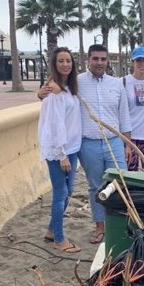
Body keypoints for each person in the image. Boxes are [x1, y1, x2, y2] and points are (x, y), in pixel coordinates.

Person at [38, 44, 132, 244]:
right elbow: (52, 93)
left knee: (120, 185)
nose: (99, 62)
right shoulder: (76, 82)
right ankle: (99, 228)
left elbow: (124, 115)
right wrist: (40, 93)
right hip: (87, 145)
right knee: (96, 187)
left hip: (114, 141)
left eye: (103, 59)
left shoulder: (116, 84)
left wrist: (128, 144)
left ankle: (120, 226)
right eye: (95, 58)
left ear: (107, 61)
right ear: (88, 60)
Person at [38, 48, 82, 253]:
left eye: (68, 61)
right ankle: (59, 239)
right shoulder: (54, 91)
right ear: (55, 64)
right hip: (59, 151)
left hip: (72, 148)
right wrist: (61, 154)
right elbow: (54, 125)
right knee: (60, 193)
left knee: (69, 191)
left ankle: (50, 230)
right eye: (61, 61)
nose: (65, 64)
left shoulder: (67, 88)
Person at [123, 46, 144, 171]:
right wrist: (126, 142)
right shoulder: (124, 82)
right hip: (130, 137)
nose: (142, 64)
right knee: (130, 175)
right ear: (132, 62)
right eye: (138, 60)